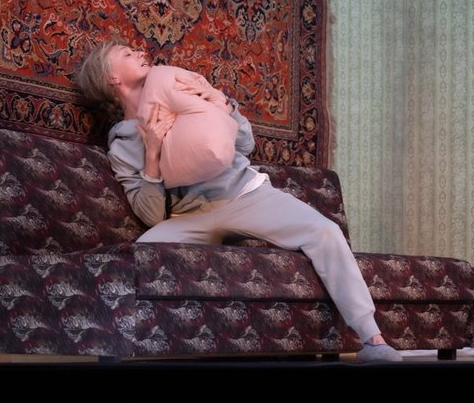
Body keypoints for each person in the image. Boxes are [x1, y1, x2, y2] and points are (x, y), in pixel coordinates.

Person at [76, 38, 404, 363]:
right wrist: (152, 153)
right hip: (189, 217)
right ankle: (116, 346)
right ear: (111, 78)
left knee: (325, 231)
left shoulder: (179, 87)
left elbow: (245, 144)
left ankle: (371, 339)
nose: (139, 52)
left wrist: (224, 105)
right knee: (138, 255)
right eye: (126, 53)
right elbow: (149, 215)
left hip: (245, 195)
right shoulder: (122, 145)